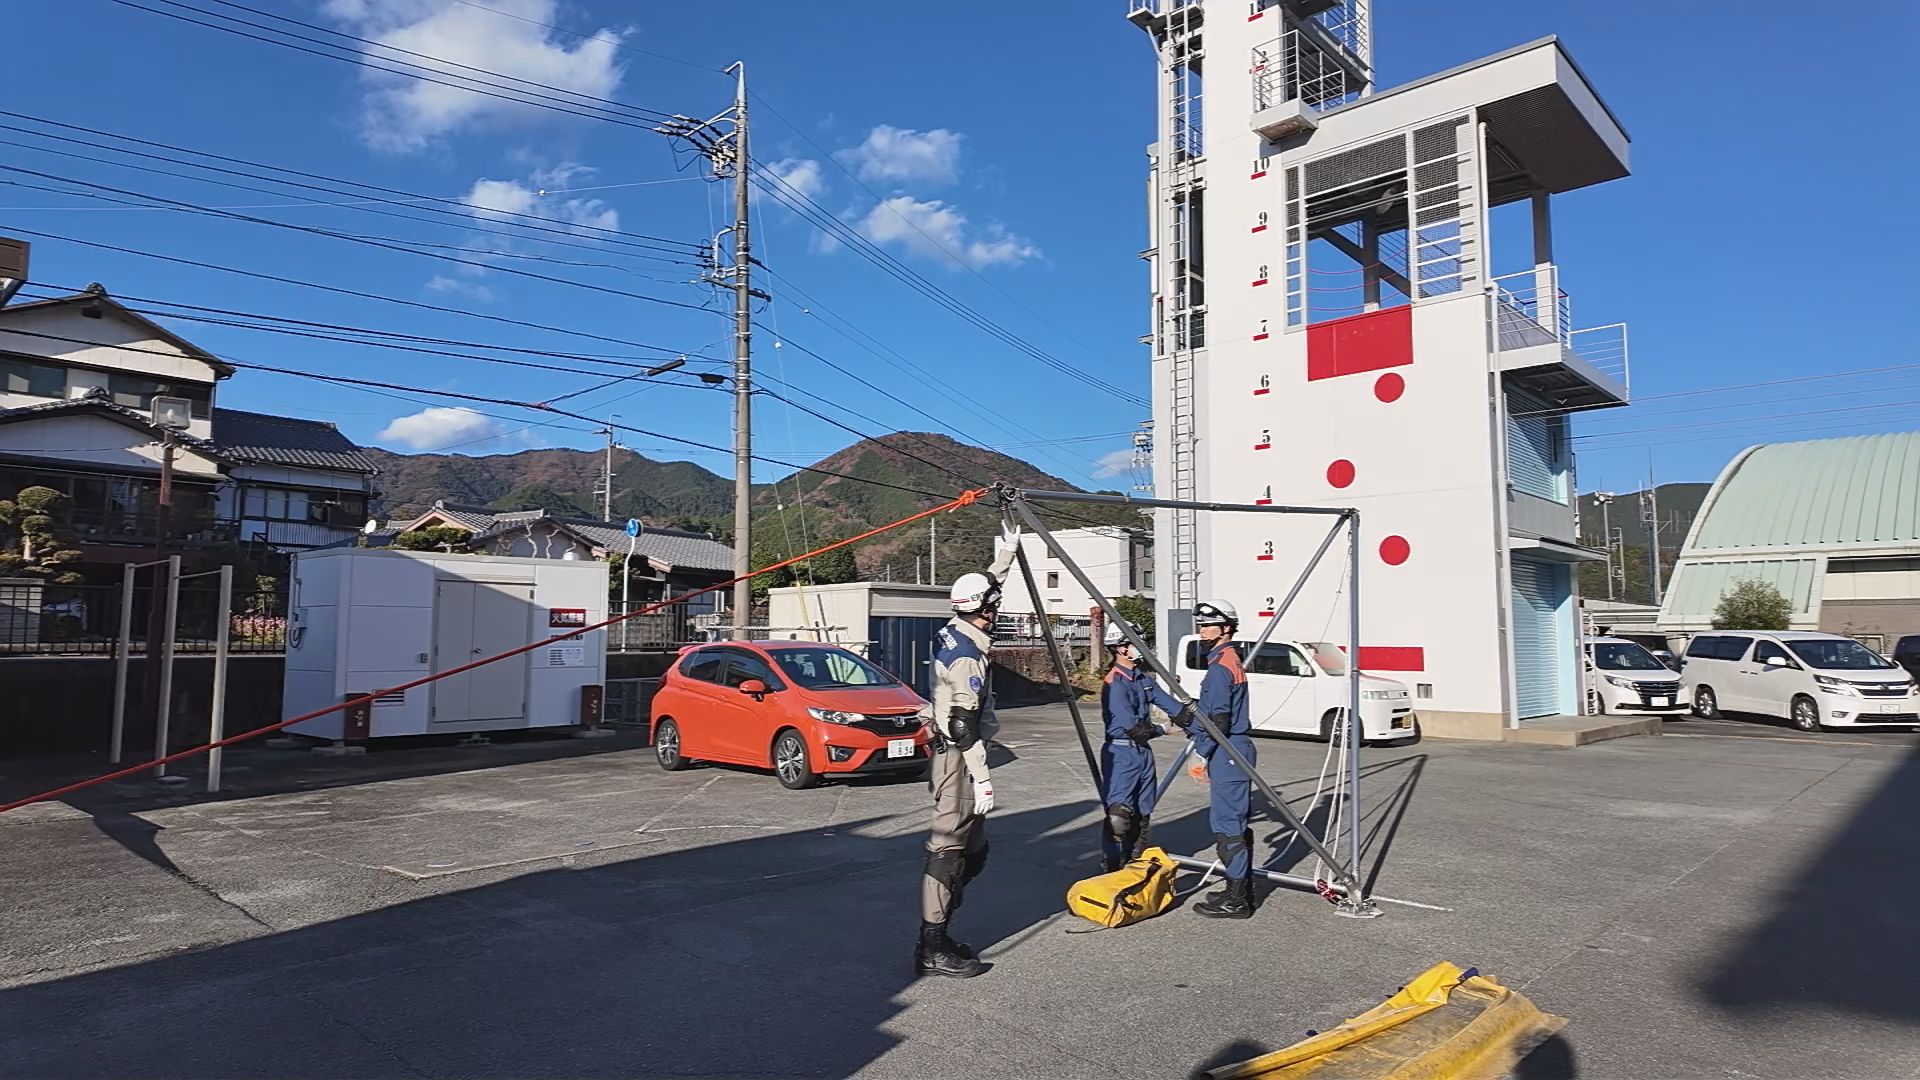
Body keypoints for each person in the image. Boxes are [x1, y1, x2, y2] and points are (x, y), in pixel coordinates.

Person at [916, 521, 1021, 978]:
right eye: (995, 604)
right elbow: (962, 726)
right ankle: (932, 945)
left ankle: (941, 924)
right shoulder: (966, 655)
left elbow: (988, 583)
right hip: (959, 758)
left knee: (974, 853)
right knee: (949, 851)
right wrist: (982, 777)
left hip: (956, 752)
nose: (998, 606)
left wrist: (1008, 549)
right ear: (987, 610)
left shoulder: (958, 627)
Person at [1182, 599, 1257, 919]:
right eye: (1199, 624)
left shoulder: (1220, 667)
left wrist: (1201, 752)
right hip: (1232, 749)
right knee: (1235, 826)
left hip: (1227, 751)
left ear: (1226, 628)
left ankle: (1238, 900)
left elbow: (1219, 721)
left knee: (1228, 828)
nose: (1201, 629)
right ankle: (1237, 887)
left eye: (1208, 624)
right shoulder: (1227, 660)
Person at [1098, 620, 1189, 873]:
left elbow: (1172, 706)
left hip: (1142, 754)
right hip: (1121, 753)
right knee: (1119, 817)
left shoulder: (1142, 678)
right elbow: (1133, 727)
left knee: (1142, 813)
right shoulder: (1115, 682)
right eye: (1135, 642)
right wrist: (1164, 729)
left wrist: (1196, 718)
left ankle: (1134, 866)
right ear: (1121, 648)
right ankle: (1112, 867)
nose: (1141, 647)